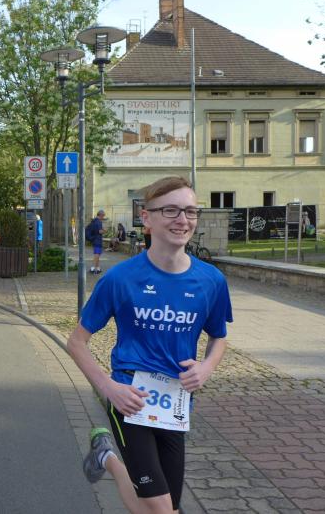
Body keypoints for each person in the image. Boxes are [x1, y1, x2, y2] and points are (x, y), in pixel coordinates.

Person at [67, 176, 232, 514]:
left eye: (190, 211)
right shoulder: (120, 278)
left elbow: (219, 337)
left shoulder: (211, 281)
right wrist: (109, 388)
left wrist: (206, 368)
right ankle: (109, 455)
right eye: (170, 210)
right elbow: (77, 342)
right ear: (146, 218)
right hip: (129, 398)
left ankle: (106, 456)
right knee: (159, 507)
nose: (182, 220)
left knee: (166, 508)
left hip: (176, 405)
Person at [85, 210, 106, 274]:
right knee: (97, 254)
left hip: (94, 240)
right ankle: (93, 268)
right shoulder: (98, 222)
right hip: (97, 240)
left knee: (97, 254)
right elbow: (100, 231)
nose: (103, 217)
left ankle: (97, 268)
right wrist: (105, 231)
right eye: (103, 216)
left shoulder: (94, 221)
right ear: (101, 215)